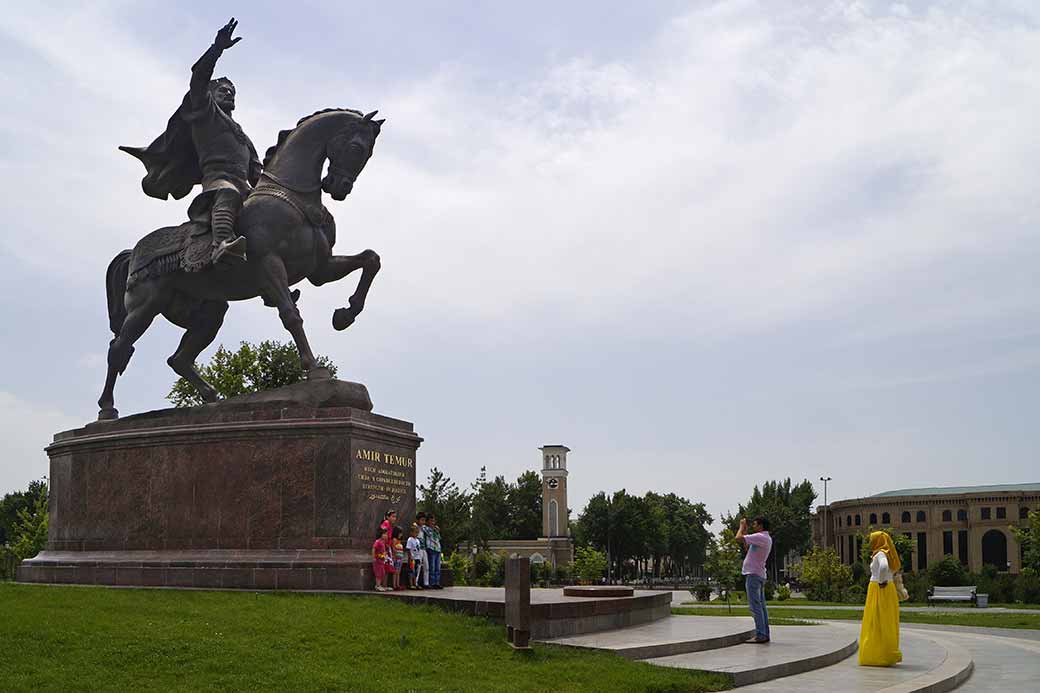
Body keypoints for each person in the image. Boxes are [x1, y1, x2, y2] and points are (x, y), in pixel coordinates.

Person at [119, 18, 261, 267]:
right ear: (211, 95)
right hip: (218, 183)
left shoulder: (243, 136)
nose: (229, 94)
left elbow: (257, 174)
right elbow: (198, 77)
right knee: (227, 193)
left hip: (244, 188)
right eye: (223, 91)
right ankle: (222, 244)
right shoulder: (205, 113)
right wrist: (216, 49)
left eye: (232, 92)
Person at [859, 531, 903, 666]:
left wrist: (881, 580)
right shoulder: (889, 554)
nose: (870, 543)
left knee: (875, 620)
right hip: (887, 588)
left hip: (879, 588)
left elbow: (883, 566)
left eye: (872, 540)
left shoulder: (880, 553)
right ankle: (886, 652)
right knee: (886, 620)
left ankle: (876, 654)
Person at [735, 516, 773, 643]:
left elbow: (738, 538)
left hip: (753, 575)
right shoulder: (764, 538)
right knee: (761, 606)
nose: (754, 527)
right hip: (759, 574)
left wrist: (741, 527)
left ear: (761, 526)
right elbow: (746, 546)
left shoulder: (760, 537)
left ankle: (761, 635)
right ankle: (764, 633)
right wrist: (745, 531)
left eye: (755, 524)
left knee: (755, 606)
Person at [425, 514, 443, 589]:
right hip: (431, 549)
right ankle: (432, 583)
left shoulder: (435, 529)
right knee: (432, 567)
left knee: (437, 567)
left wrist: (437, 531)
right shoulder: (426, 528)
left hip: (437, 549)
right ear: (428, 521)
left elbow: (439, 538)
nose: (433, 522)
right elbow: (427, 533)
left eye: (434, 521)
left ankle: (437, 582)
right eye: (431, 521)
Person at [372, 526, 390, 592]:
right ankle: (377, 585)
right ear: (380, 534)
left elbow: (383, 551)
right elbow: (374, 548)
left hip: (381, 561)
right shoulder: (378, 541)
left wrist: (385, 555)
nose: (386, 535)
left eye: (386, 534)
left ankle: (381, 585)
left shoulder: (383, 542)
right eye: (384, 534)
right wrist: (374, 557)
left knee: (382, 573)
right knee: (378, 574)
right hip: (377, 561)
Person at [406, 524, 425, 589]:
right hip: (412, 558)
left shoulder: (417, 540)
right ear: (411, 532)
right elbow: (408, 549)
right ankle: (411, 584)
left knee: (416, 571)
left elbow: (418, 549)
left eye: (417, 532)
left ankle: (416, 583)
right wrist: (410, 557)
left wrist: (420, 557)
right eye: (415, 532)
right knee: (411, 571)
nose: (416, 534)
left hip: (417, 558)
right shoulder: (410, 539)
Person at [416, 512, 431, 588]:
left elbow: (430, 532)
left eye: (424, 520)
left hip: (424, 548)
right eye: (422, 520)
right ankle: (416, 582)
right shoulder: (415, 527)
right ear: (418, 520)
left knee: (426, 566)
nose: (423, 522)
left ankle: (426, 583)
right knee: (418, 566)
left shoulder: (424, 528)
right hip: (418, 549)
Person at [391, 526, 406, 591]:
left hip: (400, 558)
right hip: (396, 558)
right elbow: (393, 548)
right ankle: (394, 585)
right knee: (395, 572)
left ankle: (398, 584)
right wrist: (394, 557)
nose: (401, 535)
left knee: (398, 572)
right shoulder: (394, 540)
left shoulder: (399, 541)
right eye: (400, 533)